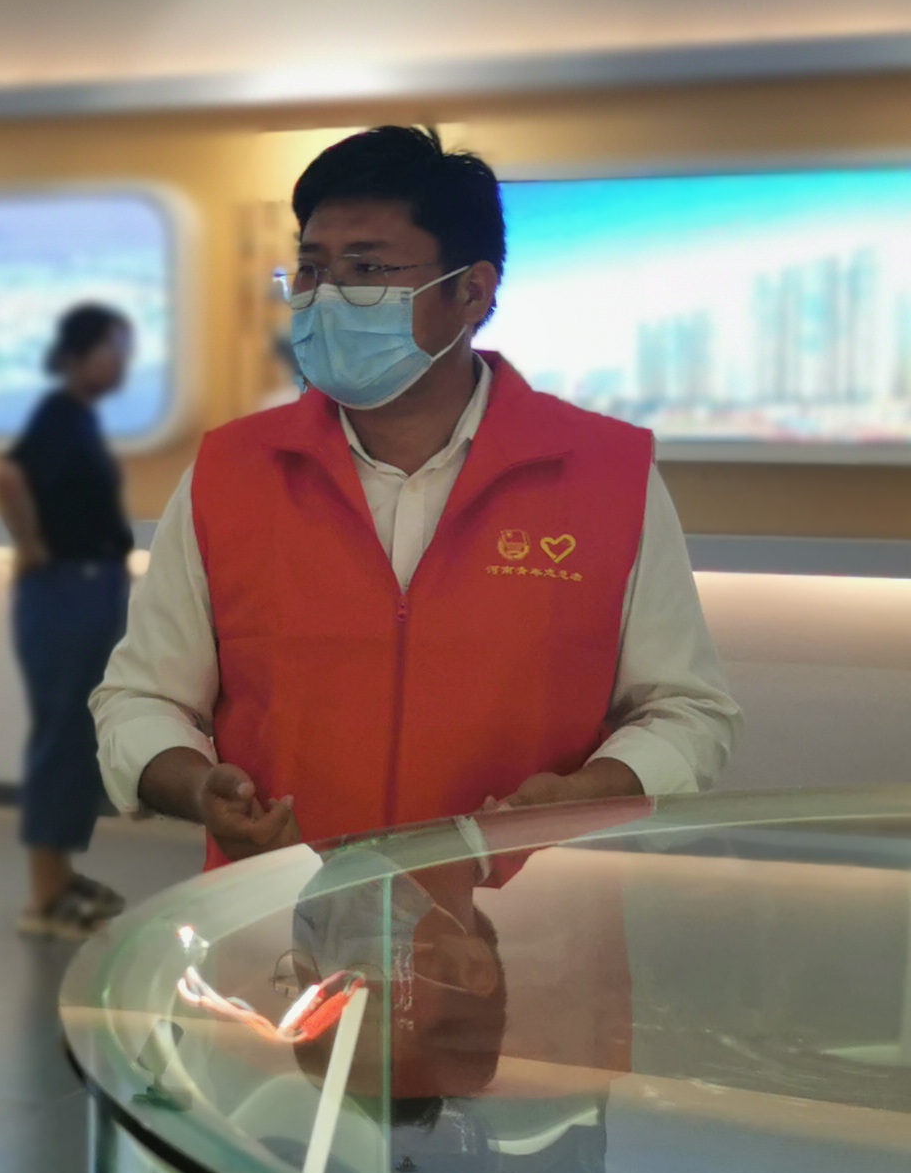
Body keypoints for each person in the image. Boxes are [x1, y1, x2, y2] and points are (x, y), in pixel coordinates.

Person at [92, 121, 739, 866]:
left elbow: (687, 711)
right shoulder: (232, 472)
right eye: (311, 269)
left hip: (528, 910)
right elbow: (141, 698)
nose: (327, 297)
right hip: (283, 910)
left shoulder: (605, 472)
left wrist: (594, 791)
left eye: (368, 269)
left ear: (471, 291)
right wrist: (194, 786)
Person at [0, 300, 139, 934]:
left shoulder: (76, 416)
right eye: (112, 351)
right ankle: (45, 896)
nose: (122, 364)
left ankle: (60, 876)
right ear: (78, 355)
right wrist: (30, 546)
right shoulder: (58, 414)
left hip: (87, 590)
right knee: (61, 734)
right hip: (66, 594)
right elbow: (8, 477)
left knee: (79, 736)